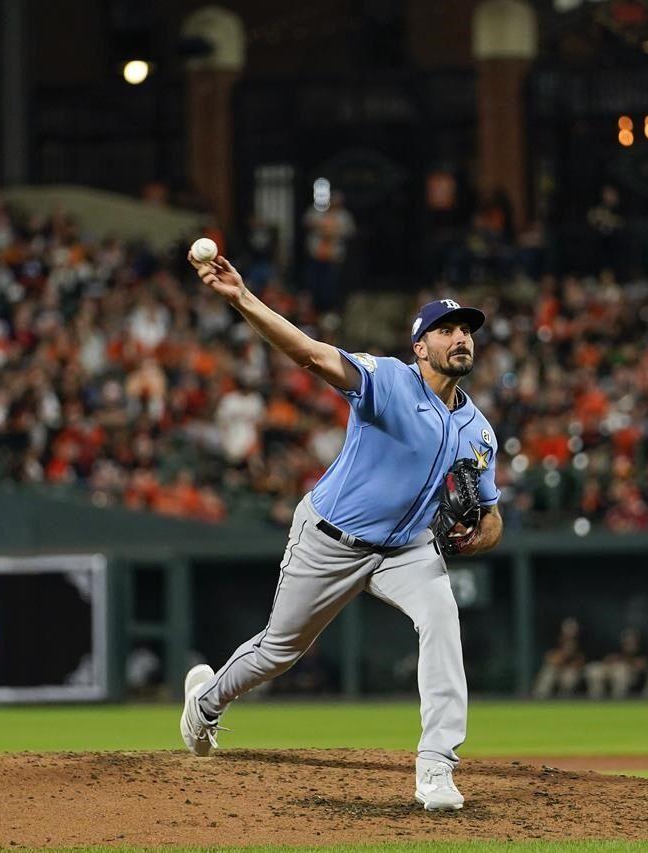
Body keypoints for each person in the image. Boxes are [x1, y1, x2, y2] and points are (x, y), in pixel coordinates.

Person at [178, 252, 503, 813]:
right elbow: (308, 353)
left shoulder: (479, 431)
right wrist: (240, 298)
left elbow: (492, 514)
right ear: (420, 347)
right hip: (331, 538)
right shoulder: (388, 382)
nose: (460, 338)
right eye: (445, 330)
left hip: (406, 549)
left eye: (466, 330)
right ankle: (205, 702)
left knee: (443, 620)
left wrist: (484, 533)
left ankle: (436, 768)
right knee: (281, 650)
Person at [583, 626, 648, 700]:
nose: (629, 644)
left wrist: (628, 661)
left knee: (621, 673)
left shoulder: (644, 651)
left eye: (632, 641)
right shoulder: (614, 647)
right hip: (610, 671)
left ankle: (617, 703)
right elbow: (607, 660)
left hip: (628, 676)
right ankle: (595, 702)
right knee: (594, 671)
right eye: (627, 642)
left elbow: (643, 666)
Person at [531, 617, 586, 699]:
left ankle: (564, 702)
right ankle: (538, 700)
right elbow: (550, 660)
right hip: (556, 668)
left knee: (569, 677)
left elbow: (581, 662)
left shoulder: (582, 641)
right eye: (568, 629)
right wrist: (565, 653)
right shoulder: (555, 640)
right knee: (548, 672)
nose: (571, 632)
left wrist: (572, 657)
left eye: (573, 629)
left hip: (572, 670)